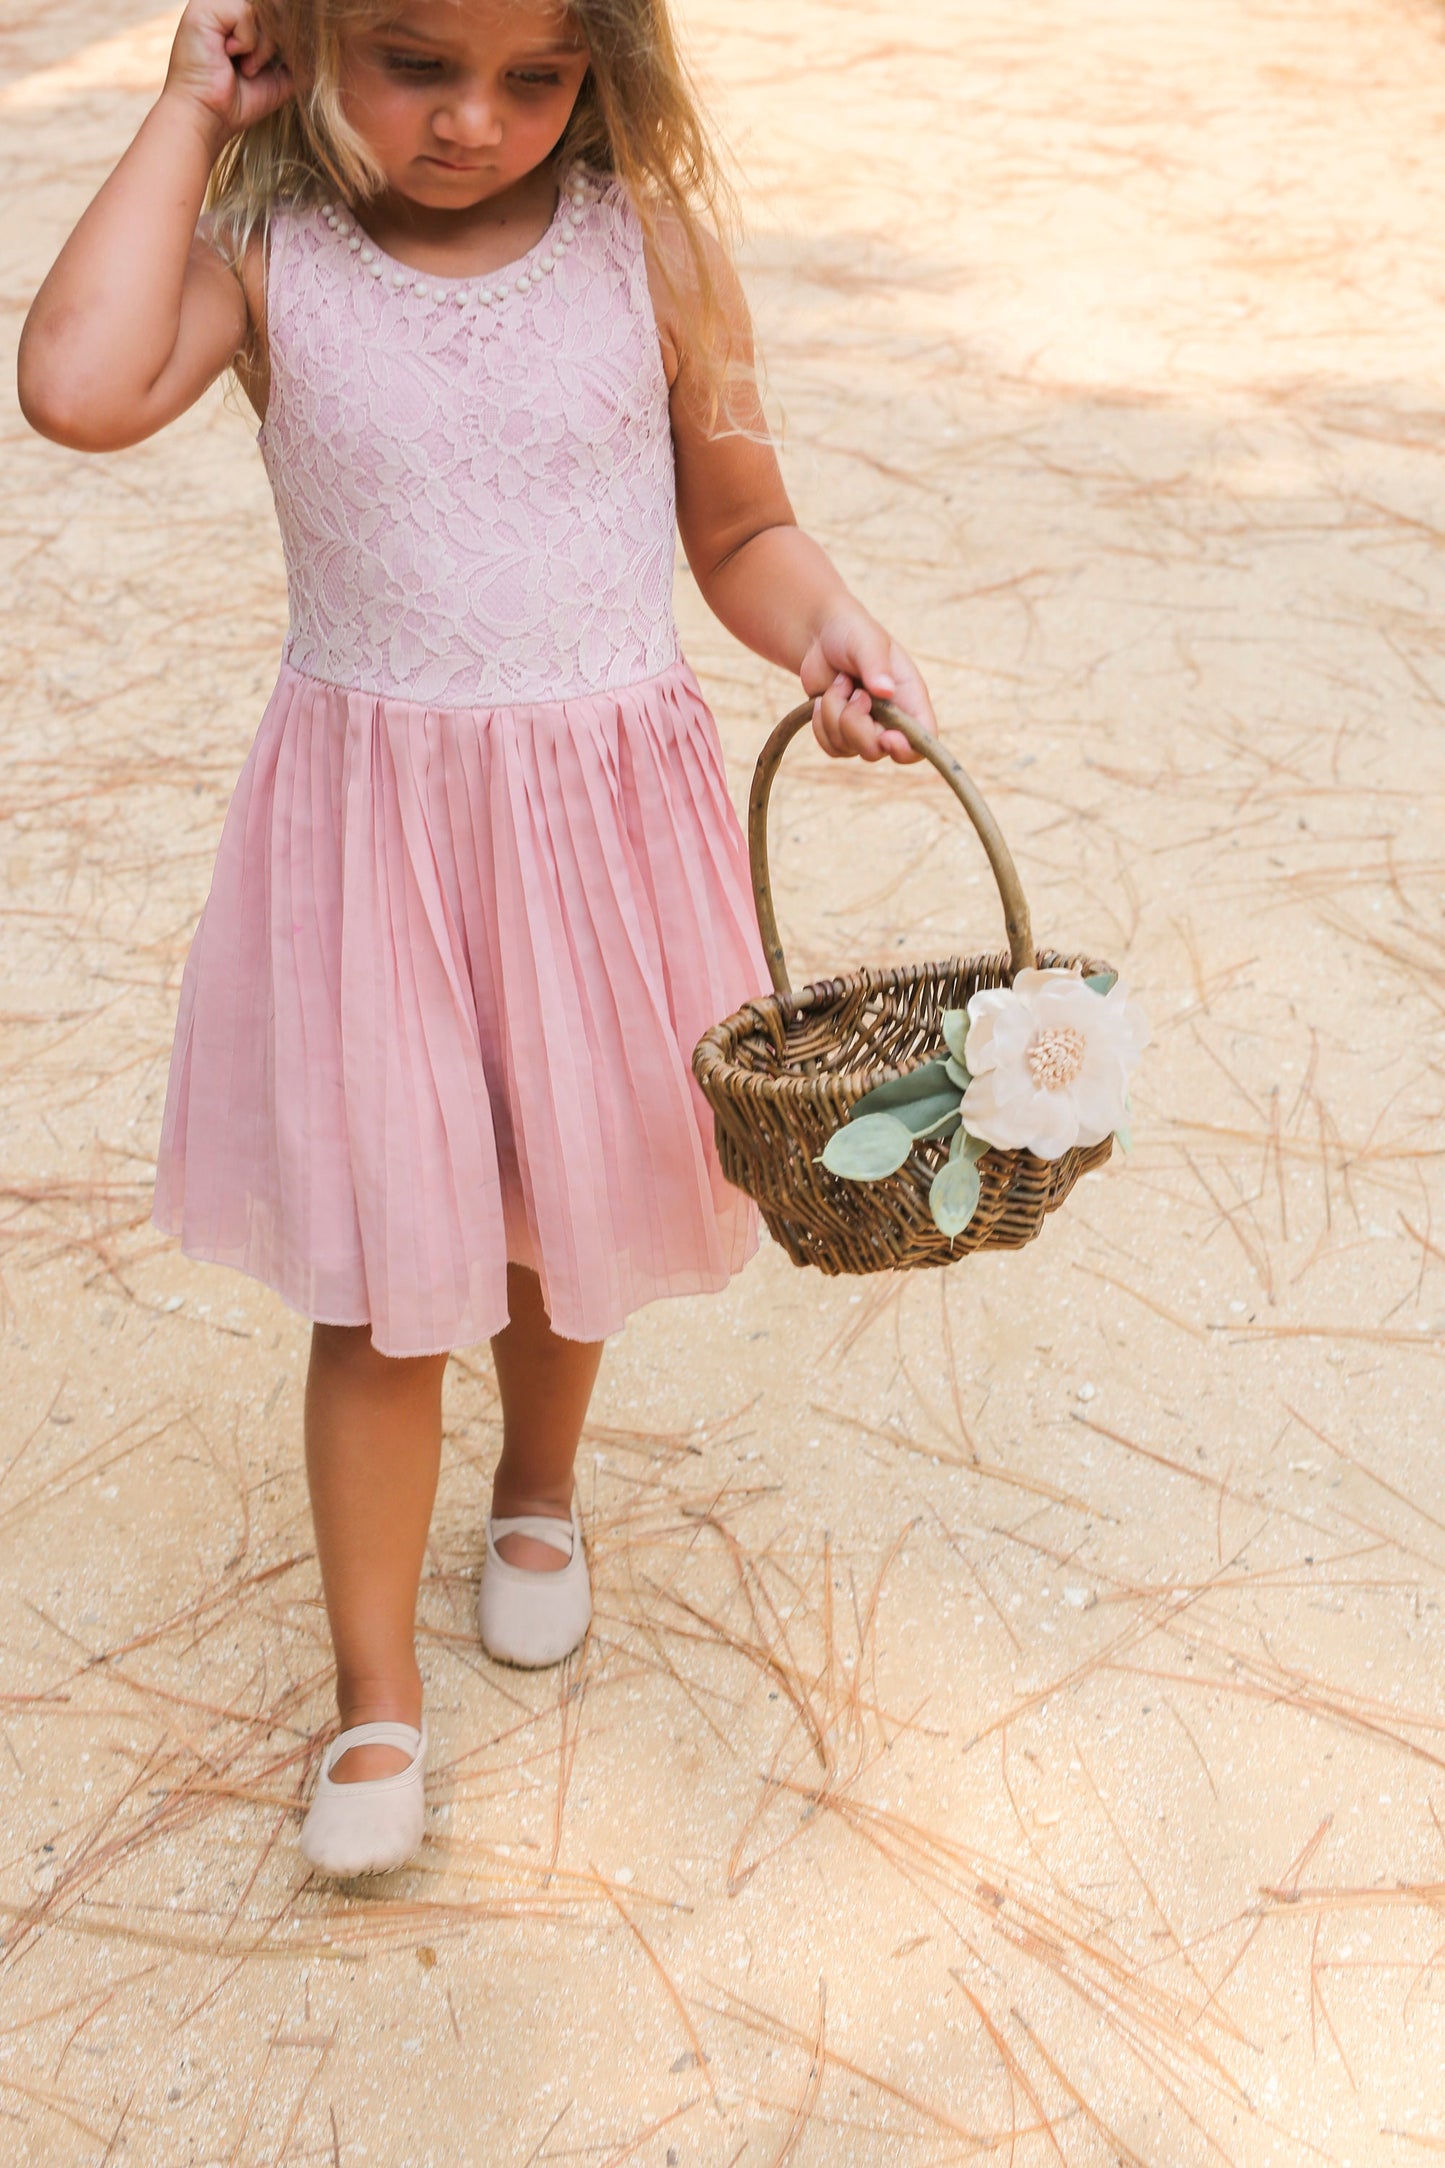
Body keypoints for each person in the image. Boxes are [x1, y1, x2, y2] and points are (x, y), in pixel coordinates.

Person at [18, 0, 937, 1877]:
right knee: (383, 1270)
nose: (473, 122)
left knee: (558, 1203)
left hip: (596, 834)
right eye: (417, 63)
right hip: (377, 838)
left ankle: (536, 1486)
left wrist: (823, 623)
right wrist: (190, 112)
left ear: (605, 61)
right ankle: (374, 1695)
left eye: (536, 77)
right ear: (303, 31)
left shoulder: (654, 250)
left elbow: (740, 528)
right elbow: (79, 390)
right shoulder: (268, 252)